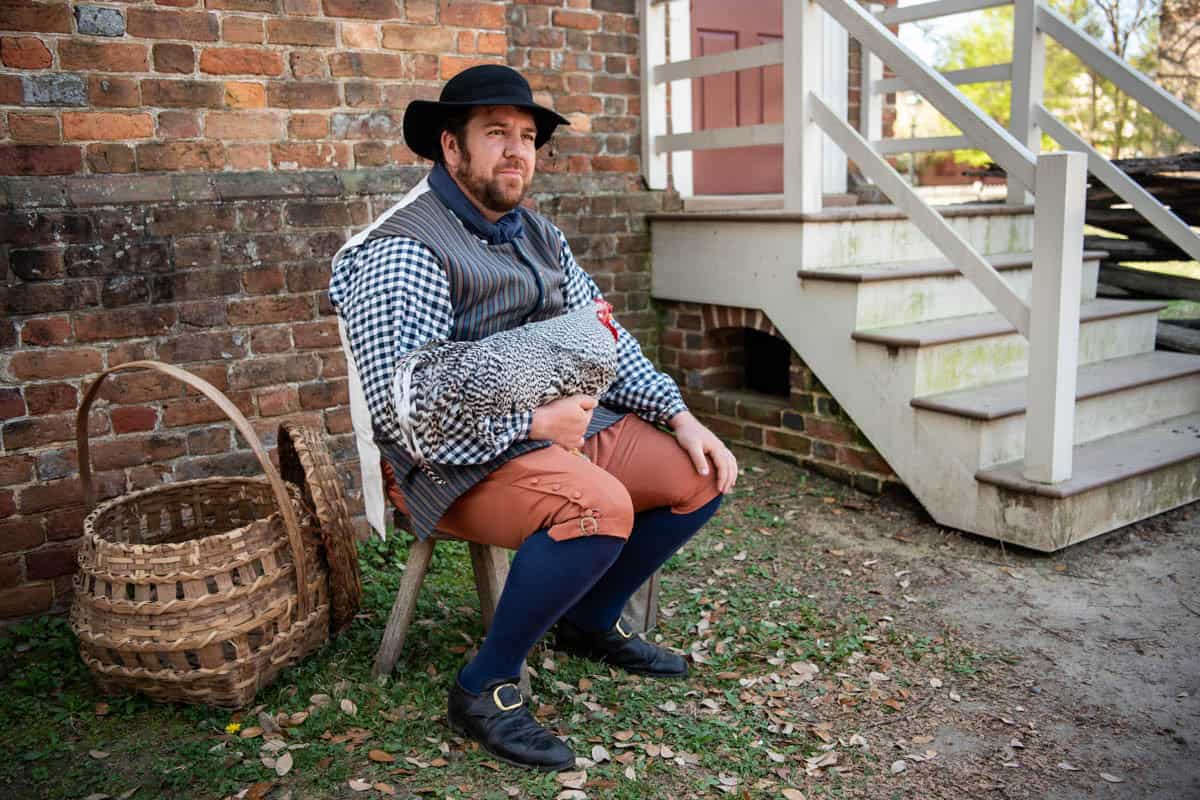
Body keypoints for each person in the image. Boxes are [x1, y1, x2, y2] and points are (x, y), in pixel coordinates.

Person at [329, 64, 738, 771]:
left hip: (557, 430)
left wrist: (679, 414)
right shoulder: (404, 249)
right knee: (598, 506)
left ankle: (586, 619)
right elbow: (408, 411)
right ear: (449, 147)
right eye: (496, 134)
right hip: (449, 461)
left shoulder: (539, 235)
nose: (517, 150)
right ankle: (485, 685)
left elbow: (606, 340)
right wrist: (531, 425)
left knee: (701, 473)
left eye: (527, 136)